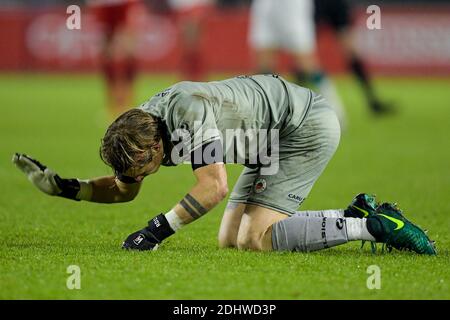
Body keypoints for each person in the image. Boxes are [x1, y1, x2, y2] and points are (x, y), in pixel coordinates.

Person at [13, 75, 435, 255]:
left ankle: (377, 227)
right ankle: (351, 215)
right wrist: (69, 188)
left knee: (255, 238)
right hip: (269, 137)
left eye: (141, 168)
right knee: (229, 238)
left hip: (303, 127)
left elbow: (212, 187)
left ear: (156, 148)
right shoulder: (141, 128)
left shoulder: (187, 113)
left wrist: (153, 232)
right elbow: (125, 188)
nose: (135, 177)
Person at [248, 0, 346, 126]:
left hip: (292, 6)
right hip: (266, 4)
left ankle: (336, 111)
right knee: (263, 65)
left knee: (306, 63)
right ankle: (268, 118)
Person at [314, 0, 393, 114]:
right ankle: (293, 105)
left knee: (352, 52)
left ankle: (373, 101)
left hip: (335, 5)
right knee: (305, 56)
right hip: (315, 4)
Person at [88, 0, 142, 116]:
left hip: (125, 3)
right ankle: (113, 104)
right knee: (106, 55)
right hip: (102, 4)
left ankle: (129, 102)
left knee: (128, 50)